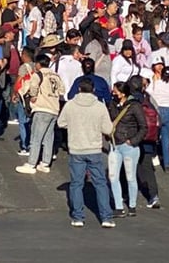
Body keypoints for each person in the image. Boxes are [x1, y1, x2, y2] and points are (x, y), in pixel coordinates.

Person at [58, 77, 116, 228]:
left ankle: (78, 217)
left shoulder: (70, 105)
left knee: (76, 184)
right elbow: (108, 129)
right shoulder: (99, 106)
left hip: (76, 148)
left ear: (78, 89)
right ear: (94, 90)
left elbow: (61, 123)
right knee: (101, 184)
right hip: (94, 148)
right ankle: (106, 217)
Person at [16, 53, 64, 174]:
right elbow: (62, 90)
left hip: (42, 108)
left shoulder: (38, 74)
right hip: (54, 108)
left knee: (36, 138)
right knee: (48, 138)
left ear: (38, 64)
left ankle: (31, 163)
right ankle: (45, 163)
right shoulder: (56, 75)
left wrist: (33, 96)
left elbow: (33, 86)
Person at [106, 81, 147, 217]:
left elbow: (143, 126)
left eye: (115, 90)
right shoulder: (112, 104)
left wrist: (133, 141)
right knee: (113, 177)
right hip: (114, 144)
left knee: (130, 177)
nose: (113, 92)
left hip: (129, 146)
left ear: (123, 93)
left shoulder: (134, 106)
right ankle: (119, 207)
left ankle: (132, 205)